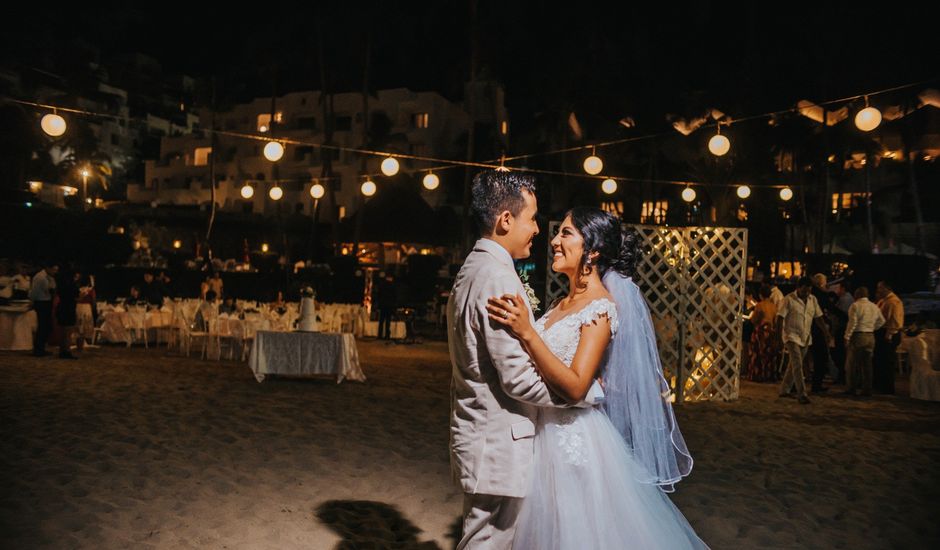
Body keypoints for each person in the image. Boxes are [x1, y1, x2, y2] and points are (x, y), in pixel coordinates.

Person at [486, 206, 705, 549]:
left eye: (566, 234)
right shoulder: (561, 302)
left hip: (571, 442)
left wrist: (528, 333)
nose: (555, 241)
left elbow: (575, 385)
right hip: (539, 433)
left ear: (594, 249)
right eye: (558, 233)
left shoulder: (600, 308)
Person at [448, 171, 605, 549]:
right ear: (505, 220)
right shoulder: (497, 278)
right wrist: (582, 394)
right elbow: (517, 379)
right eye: (532, 218)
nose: (539, 230)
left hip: (483, 434)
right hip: (497, 443)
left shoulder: (474, 268)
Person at [776, 277, 834, 404]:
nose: (806, 294)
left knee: (794, 365)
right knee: (798, 364)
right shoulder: (788, 299)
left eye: (808, 291)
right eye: (803, 291)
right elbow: (780, 318)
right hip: (791, 336)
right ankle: (802, 394)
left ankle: (784, 390)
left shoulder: (813, 300)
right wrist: (779, 338)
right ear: (798, 288)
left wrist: (826, 333)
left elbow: (818, 318)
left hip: (805, 337)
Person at [843, 287, 884, 397]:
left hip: (858, 335)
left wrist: (847, 336)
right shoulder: (874, 306)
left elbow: (853, 322)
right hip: (870, 336)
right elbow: (882, 321)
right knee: (867, 364)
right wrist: (872, 328)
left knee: (851, 364)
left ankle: (851, 388)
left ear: (857, 295)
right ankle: (867, 389)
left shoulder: (855, 306)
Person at [744, 285, 781, 382]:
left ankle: (758, 375)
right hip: (771, 332)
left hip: (761, 333)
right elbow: (775, 320)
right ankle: (769, 375)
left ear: (760, 295)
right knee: (769, 355)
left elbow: (754, 320)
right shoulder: (773, 306)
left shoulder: (759, 305)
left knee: (758, 354)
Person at [874, 281, 904, 394]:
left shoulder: (894, 302)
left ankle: (887, 387)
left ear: (887, 288)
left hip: (888, 334)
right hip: (883, 333)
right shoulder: (883, 301)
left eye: (880, 288)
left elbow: (895, 321)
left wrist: (889, 334)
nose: (878, 290)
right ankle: (881, 385)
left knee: (887, 361)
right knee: (881, 360)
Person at [809, 273, 835, 393]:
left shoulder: (811, 294)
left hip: (808, 328)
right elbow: (830, 309)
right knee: (821, 357)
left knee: (803, 358)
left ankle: (794, 385)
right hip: (817, 331)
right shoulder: (820, 296)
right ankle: (816, 385)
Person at [29, 262, 58, 357]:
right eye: (54, 269)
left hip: (46, 301)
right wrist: (32, 302)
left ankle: (41, 348)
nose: (55, 272)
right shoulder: (40, 277)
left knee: (46, 326)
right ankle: (38, 349)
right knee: (42, 326)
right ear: (48, 268)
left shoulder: (49, 277)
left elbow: (53, 287)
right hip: (41, 302)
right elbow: (35, 291)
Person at [55, 268, 80, 359]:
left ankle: (62, 350)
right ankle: (67, 351)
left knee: (62, 330)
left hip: (61, 307)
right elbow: (77, 297)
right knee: (68, 330)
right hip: (69, 308)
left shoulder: (61, 284)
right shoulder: (73, 285)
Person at [374, 274, 397, 340]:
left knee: (381, 321)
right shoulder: (393, 286)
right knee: (388, 321)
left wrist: (379, 303)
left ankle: (380, 335)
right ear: (391, 278)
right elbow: (394, 297)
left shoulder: (382, 285)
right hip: (389, 306)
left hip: (383, 305)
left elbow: (379, 295)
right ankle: (387, 335)